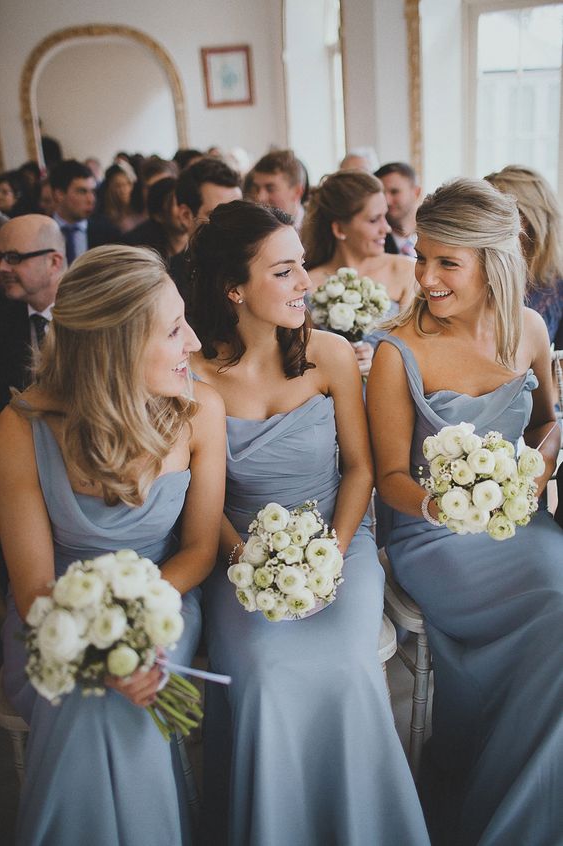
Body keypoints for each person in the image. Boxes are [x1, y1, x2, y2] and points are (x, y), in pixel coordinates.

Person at [187, 200, 429, 846]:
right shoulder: (194, 376)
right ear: (233, 288)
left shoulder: (329, 355)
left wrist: (332, 552)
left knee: (349, 665)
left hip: (340, 544)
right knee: (265, 667)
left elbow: (359, 470)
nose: (305, 285)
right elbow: (200, 504)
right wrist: (249, 562)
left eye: (302, 269)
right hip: (237, 557)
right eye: (284, 272)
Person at [0, 244, 226, 845]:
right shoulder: (20, 427)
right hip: (50, 620)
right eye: (175, 329)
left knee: (130, 696)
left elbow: (199, 550)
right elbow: (32, 592)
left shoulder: (201, 412)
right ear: (118, 345)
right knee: (88, 700)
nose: (195, 343)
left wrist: (136, 622)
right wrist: (99, 647)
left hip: (163, 598)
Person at [366, 178, 563, 846]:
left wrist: (538, 465)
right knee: (556, 619)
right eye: (422, 257)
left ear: (493, 261)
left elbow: (547, 424)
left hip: (517, 524)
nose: (426, 277)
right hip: (434, 535)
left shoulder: (529, 330)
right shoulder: (399, 350)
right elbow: (389, 475)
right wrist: (440, 503)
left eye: (447, 262)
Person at [301, 170, 415, 377]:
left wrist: (382, 360)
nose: (386, 228)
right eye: (374, 220)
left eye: (385, 216)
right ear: (339, 230)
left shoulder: (405, 270)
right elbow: (301, 357)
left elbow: (418, 349)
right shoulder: (307, 285)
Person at [485, 164, 563, 348]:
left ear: (526, 218)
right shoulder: (477, 268)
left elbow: (557, 367)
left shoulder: (558, 286)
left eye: (491, 213)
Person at [0, 214, 66, 411]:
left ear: (54, 262)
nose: (2, 267)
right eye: (0, 257)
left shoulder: (91, 314)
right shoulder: (5, 315)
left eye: (14, 258)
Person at [169, 157, 242, 301]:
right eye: (218, 215)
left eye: (239, 212)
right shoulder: (168, 282)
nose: (234, 224)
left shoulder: (256, 267)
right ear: (185, 216)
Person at [50, 160, 121, 264]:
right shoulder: (39, 233)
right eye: (82, 192)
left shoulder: (108, 232)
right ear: (59, 194)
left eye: (93, 191)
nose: (91, 199)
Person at [126, 177, 187, 263]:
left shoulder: (201, 247)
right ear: (158, 216)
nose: (185, 210)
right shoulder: (141, 254)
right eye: (177, 203)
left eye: (187, 201)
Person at [375, 162, 421, 258]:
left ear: (416, 192)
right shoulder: (374, 243)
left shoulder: (436, 236)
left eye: (394, 192)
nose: (387, 201)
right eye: (382, 193)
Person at [252, 149, 307, 230]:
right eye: (257, 188)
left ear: (297, 192)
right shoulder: (253, 229)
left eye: (270, 189)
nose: (260, 198)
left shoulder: (315, 236)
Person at [100, 162, 145, 234]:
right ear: (110, 189)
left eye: (128, 184)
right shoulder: (106, 219)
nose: (124, 189)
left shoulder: (143, 210)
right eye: (118, 185)